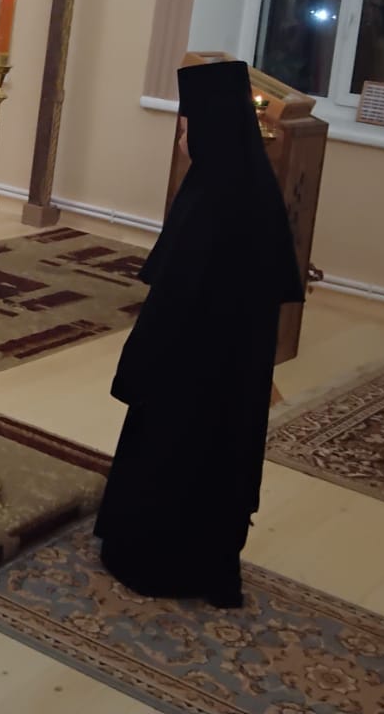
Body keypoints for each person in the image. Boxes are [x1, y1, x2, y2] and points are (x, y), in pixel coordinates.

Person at [94, 60, 304, 609]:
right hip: (230, 378)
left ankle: (156, 561)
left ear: (209, 128)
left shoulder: (212, 201)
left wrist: (138, 367)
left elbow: (175, 301)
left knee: (171, 456)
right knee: (217, 462)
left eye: (185, 128)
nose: (182, 139)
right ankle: (208, 563)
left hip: (188, 375)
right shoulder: (249, 187)